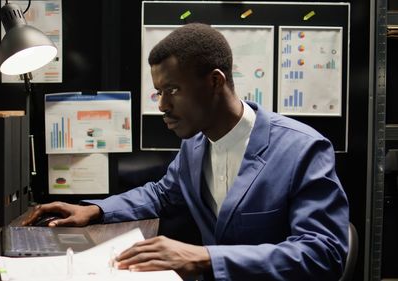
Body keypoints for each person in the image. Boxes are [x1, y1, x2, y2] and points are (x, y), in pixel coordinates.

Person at [23, 23, 349, 280]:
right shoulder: (195, 144)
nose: (163, 105)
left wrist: (204, 257)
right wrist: (94, 211)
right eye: (159, 93)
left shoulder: (301, 149)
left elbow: (324, 253)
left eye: (173, 90)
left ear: (214, 82)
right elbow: (163, 194)